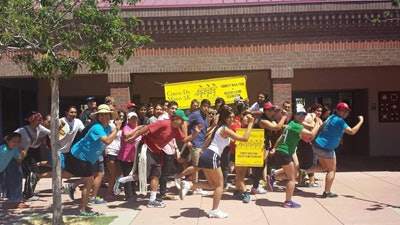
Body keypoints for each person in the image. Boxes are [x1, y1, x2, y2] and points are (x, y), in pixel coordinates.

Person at [178, 106, 254, 218]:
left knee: (212, 184)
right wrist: (251, 123)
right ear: (224, 117)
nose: (232, 119)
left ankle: (189, 185)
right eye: (229, 117)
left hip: (208, 155)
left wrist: (203, 150)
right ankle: (215, 210)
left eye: (233, 117)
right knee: (219, 185)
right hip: (212, 156)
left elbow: (209, 138)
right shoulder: (225, 129)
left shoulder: (220, 128)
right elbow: (244, 138)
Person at [125, 109, 203, 208]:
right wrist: (133, 137)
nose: (183, 122)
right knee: (145, 174)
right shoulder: (163, 123)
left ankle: (152, 200)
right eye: (182, 120)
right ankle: (122, 180)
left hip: (156, 152)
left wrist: (195, 133)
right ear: (175, 119)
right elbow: (146, 129)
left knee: (156, 175)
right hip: (146, 147)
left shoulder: (176, 130)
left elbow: (185, 140)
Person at [63, 104, 122, 216]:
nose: (104, 117)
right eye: (101, 115)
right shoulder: (97, 127)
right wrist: (118, 129)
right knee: (88, 182)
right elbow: (107, 140)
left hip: (86, 157)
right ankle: (83, 210)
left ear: (110, 116)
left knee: (66, 174)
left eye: (106, 114)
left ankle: (39, 174)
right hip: (80, 155)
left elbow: (103, 142)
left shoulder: (108, 128)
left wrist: (103, 149)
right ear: (98, 116)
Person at [303, 102, 364, 198]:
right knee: (331, 170)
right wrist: (361, 121)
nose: (346, 113)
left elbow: (322, 126)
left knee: (324, 167)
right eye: (343, 111)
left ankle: (304, 172)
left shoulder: (331, 117)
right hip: (326, 148)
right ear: (338, 110)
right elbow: (352, 132)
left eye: (347, 111)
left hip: (317, 145)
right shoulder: (340, 121)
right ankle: (327, 192)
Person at [269, 104, 321, 208]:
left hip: (283, 152)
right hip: (285, 153)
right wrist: (317, 124)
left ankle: (273, 175)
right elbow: (311, 134)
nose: (302, 116)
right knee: (292, 179)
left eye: (303, 114)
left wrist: (275, 148)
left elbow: (281, 137)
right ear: (295, 115)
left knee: (295, 174)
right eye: (299, 114)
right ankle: (288, 202)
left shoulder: (291, 124)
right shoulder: (296, 126)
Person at [175, 99, 211, 196]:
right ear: (200, 106)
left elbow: (204, 131)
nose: (206, 108)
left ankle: (195, 187)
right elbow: (185, 123)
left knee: (196, 166)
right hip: (195, 143)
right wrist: (187, 139)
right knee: (197, 166)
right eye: (204, 106)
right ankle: (179, 176)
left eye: (208, 106)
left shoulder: (205, 116)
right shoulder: (196, 114)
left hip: (201, 144)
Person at [15, 111, 50, 201]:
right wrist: (19, 149)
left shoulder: (40, 128)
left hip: (33, 152)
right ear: (32, 121)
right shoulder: (22, 130)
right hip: (23, 154)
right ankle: (28, 194)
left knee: (32, 174)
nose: (40, 122)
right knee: (33, 173)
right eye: (38, 120)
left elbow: (51, 133)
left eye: (40, 120)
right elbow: (8, 138)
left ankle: (28, 193)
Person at [296, 103, 323, 187]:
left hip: (309, 142)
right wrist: (317, 123)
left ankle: (304, 181)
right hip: (305, 142)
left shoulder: (315, 118)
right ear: (312, 110)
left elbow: (321, 126)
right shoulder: (309, 117)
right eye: (317, 110)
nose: (319, 112)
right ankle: (310, 182)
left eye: (320, 111)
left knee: (307, 162)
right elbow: (310, 127)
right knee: (309, 162)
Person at [0, 132, 27, 211]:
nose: (16, 143)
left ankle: (16, 201)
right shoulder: (2, 149)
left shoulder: (14, 150)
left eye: (18, 141)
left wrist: (23, 155)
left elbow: (18, 160)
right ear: (8, 141)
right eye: (13, 141)